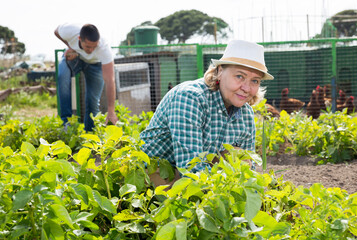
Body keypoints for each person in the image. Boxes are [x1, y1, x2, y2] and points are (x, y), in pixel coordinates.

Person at [140, 40, 274, 176]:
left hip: (197, 171)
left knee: (239, 156)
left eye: (255, 81)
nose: (246, 88)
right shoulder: (190, 98)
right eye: (239, 76)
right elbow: (190, 169)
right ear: (220, 71)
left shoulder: (246, 114)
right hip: (156, 170)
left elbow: (248, 171)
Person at [55, 23, 118, 131]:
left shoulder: (104, 49)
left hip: (95, 65)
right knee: (63, 76)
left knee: (92, 100)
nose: (91, 50)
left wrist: (111, 111)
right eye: (88, 46)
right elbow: (56, 31)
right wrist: (70, 47)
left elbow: (109, 80)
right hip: (75, 58)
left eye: (95, 46)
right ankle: (66, 123)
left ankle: (89, 132)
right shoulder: (70, 31)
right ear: (79, 39)